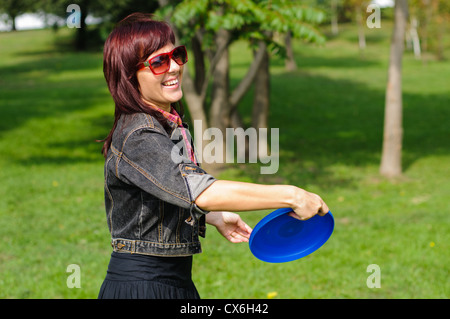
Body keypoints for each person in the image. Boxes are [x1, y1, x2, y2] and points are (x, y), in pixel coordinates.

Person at [97, 12, 329, 299]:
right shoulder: (139, 135)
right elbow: (201, 192)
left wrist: (213, 215)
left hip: (171, 282)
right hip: (142, 287)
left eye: (176, 55)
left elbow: (167, 188)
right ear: (130, 76)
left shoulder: (164, 122)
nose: (174, 67)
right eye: (158, 62)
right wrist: (292, 195)